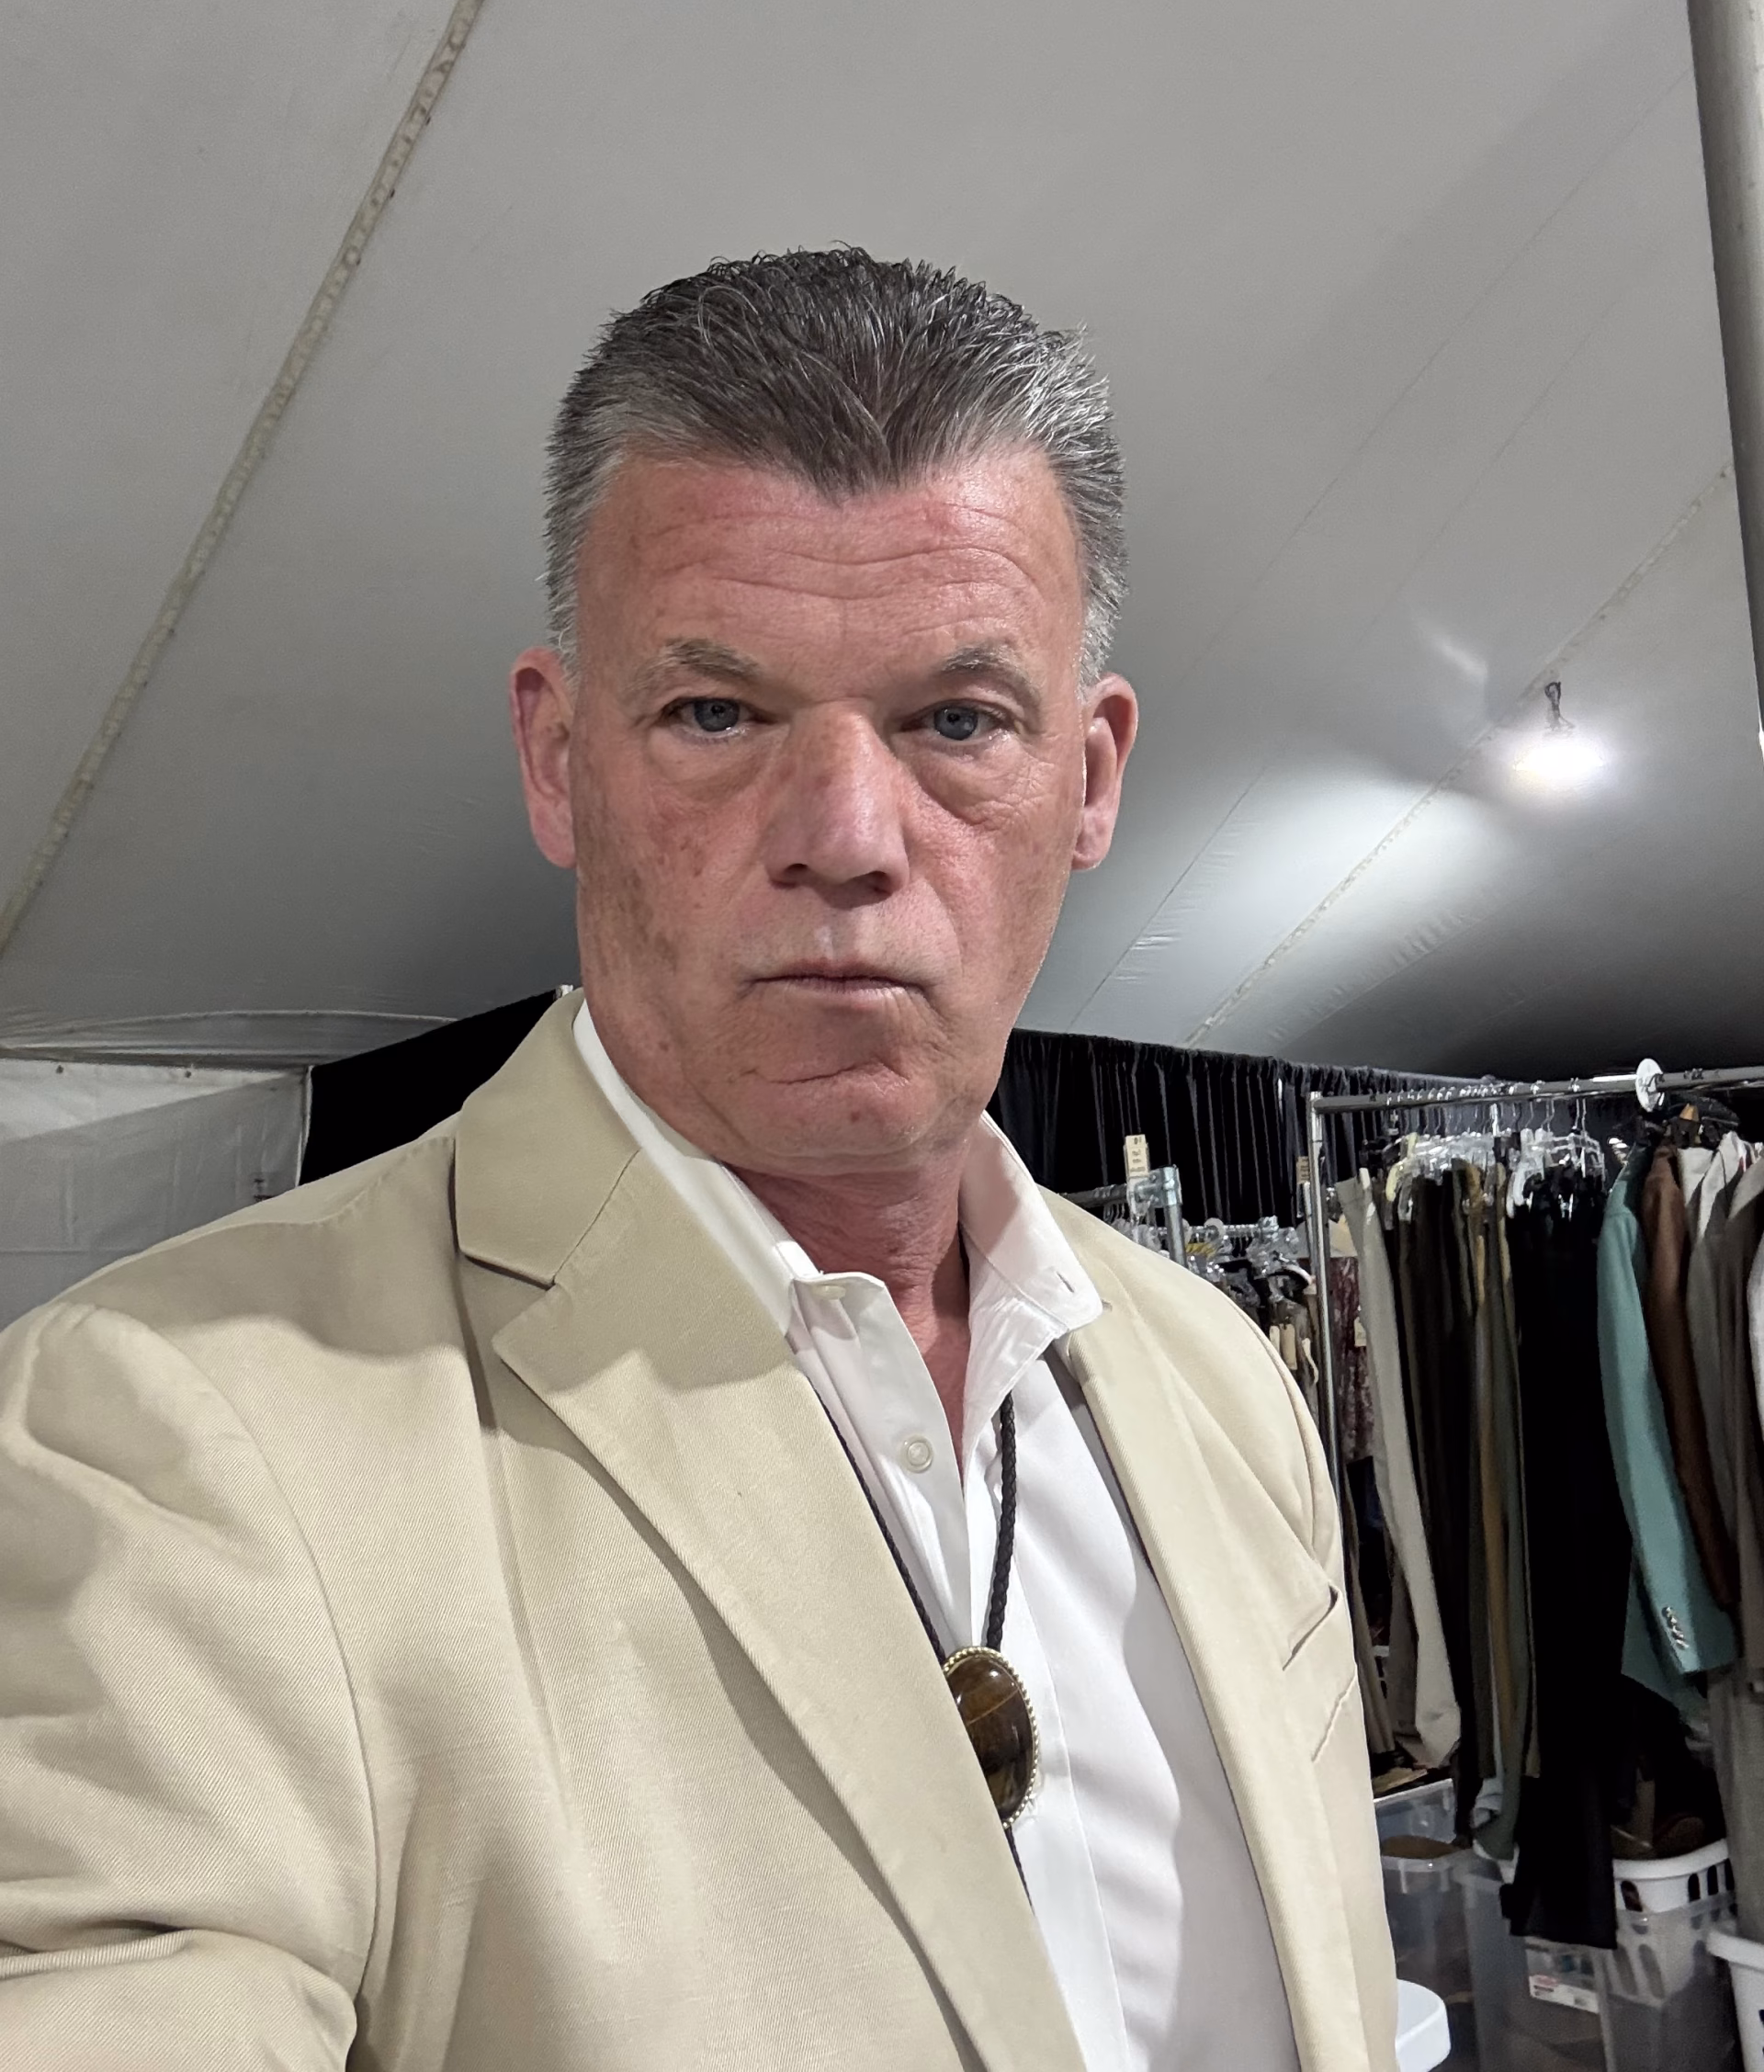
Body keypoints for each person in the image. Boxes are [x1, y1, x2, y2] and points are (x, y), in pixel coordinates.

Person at [0, 249, 1395, 2070]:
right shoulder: (177, 1433)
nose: (847, 835)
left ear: (1093, 772)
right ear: (557, 759)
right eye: (718, 714)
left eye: (958, 719)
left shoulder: (1217, 1381)